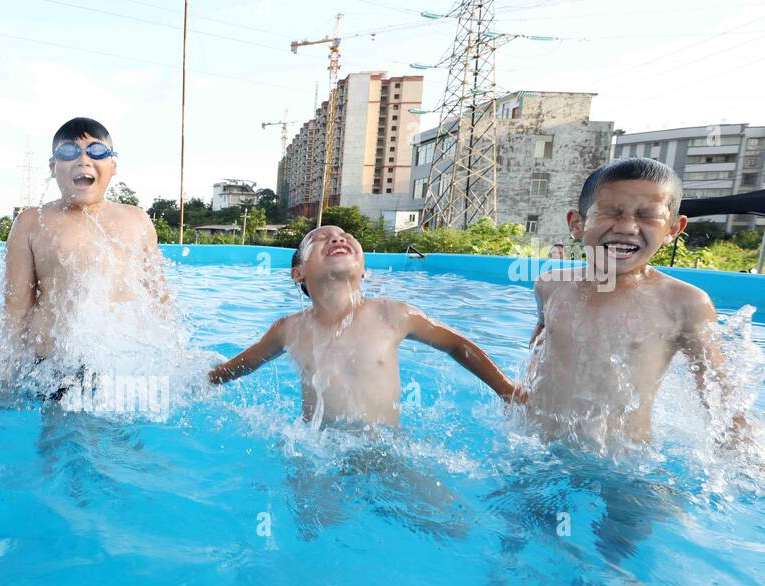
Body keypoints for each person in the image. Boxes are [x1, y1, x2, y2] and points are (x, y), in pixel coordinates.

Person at [525, 157, 749, 448]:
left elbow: (722, 403)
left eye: (647, 215)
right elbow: (539, 348)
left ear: (673, 229)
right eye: (610, 212)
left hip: (623, 462)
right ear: (577, 224)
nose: (627, 227)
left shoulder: (684, 303)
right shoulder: (550, 285)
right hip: (541, 445)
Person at [208, 226, 522, 426]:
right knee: (311, 525)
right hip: (321, 451)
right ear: (298, 273)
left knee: (448, 522)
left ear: (364, 269)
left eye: (344, 236)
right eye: (318, 239)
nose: (335, 238)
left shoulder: (393, 314)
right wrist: (205, 378)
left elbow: (457, 345)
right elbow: (242, 365)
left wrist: (507, 391)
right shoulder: (288, 329)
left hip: (385, 449)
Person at [1, 117, 171, 390]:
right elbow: (16, 309)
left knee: (122, 433)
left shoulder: (137, 221)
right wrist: (7, 378)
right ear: (53, 167)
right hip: (55, 367)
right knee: (63, 433)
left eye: (97, 151)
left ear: (113, 165)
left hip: (124, 367)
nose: (83, 160)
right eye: (69, 152)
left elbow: (159, 301)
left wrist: (171, 360)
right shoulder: (32, 223)